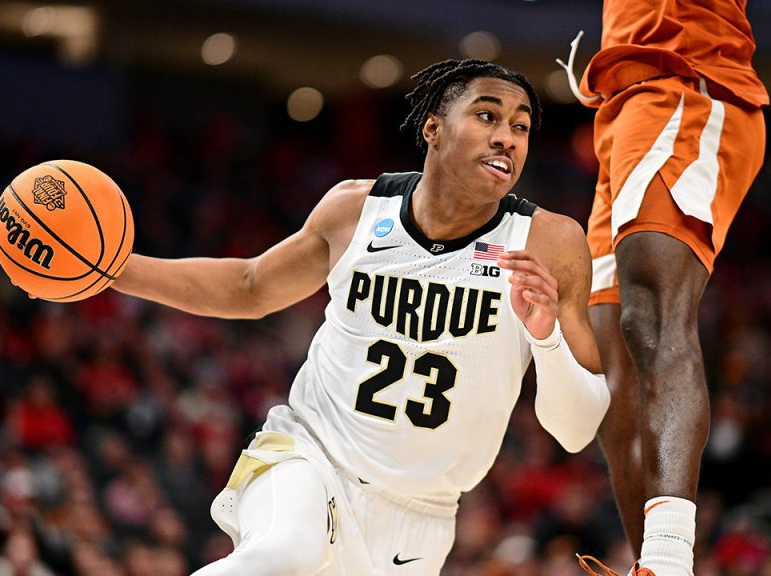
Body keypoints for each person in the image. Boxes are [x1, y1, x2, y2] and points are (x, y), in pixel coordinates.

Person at [107, 59, 611, 575]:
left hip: (420, 517)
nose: (507, 137)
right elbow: (250, 286)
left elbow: (575, 431)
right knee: (282, 554)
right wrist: (114, 270)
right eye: (487, 117)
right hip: (311, 458)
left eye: (521, 126)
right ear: (432, 127)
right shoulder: (357, 209)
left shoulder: (549, 242)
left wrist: (546, 341)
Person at [558, 3, 768, 575]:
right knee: (611, 378)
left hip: (686, 82)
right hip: (618, 107)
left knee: (649, 320)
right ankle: (650, 564)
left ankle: (669, 562)